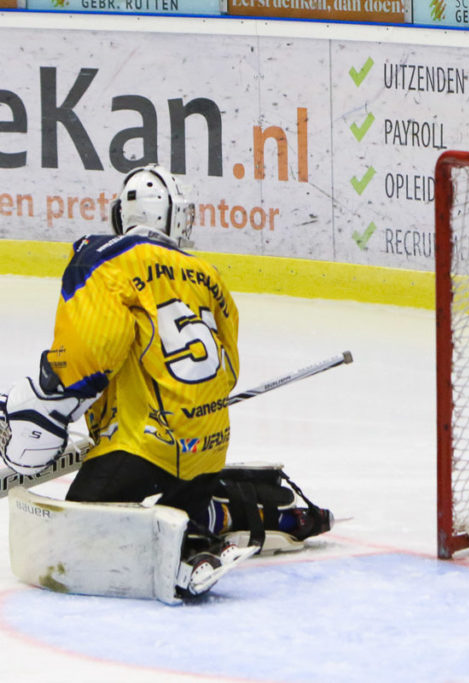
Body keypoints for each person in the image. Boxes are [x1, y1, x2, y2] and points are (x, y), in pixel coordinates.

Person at [0, 164, 332, 598]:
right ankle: (215, 518)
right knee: (179, 508)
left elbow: (92, 353)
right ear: (175, 216)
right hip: (208, 448)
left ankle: (203, 529)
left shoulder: (104, 258)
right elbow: (228, 369)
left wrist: (49, 404)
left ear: (123, 214)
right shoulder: (209, 277)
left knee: (70, 543)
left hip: (141, 447)